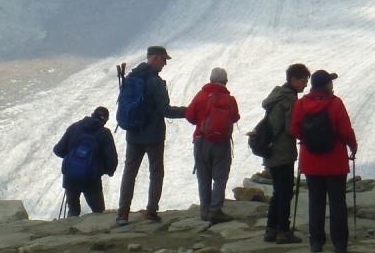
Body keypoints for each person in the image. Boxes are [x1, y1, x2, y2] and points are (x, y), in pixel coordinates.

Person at [114, 45, 187, 226]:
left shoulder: (131, 77)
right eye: (163, 60)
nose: (164, 64)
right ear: (154, 58)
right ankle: (151, 211)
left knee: (130, 172)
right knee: (156, 172)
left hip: (133, 134)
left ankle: (123, 213)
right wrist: (188, 112)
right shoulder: (155, 82)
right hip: (153, 135)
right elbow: (165, 110)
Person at [291, 70, 358, 253]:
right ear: (327, 84)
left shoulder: (302, 104)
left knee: (316, 200)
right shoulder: (335, 103)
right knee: (337, 202)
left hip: (311, 160)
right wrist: (353, 146)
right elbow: (345, 129)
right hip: (334, 160)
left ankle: (316, 241)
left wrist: (309, 140)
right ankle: (340, 243)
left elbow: (295, 129)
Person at [260, 63, 309, 244]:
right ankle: (283, 230)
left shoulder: (276, 96)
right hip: (283, 151)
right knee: (285, 191)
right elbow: (291, 128)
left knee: (278, 191)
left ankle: (271, 229)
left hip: (270, 150)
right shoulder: (290, 100)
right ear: (294, 79)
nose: (305, 84)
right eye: (303, 80)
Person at [186, 67, 241, 225]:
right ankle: (215, 210)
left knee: (204, 178)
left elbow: (190, 116)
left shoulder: (201, 95)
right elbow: (235, 117)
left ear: (210, 79)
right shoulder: (229, 99)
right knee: (220, 178)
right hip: (222, 143)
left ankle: (204, 211)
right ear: (225, 81)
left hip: (201, 141)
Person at [53, 106, 119, 216]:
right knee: (99, 212)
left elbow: (58, 150)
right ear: (105, 120)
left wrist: (72, 160)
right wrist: (103, 170)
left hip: (70, 178)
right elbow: (112, 161)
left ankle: (68, 231)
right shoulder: (105, 134)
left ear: (92, 114)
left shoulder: (74, 127)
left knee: (73, 211)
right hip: (91, 181)